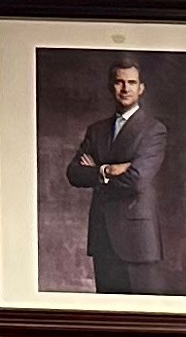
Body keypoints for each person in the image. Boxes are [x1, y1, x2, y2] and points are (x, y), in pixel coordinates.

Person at [69, 59, 173, 295]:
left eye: (131, 82)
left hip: (137, 240)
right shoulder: (96, 130)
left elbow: (136, 180)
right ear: (110, 86)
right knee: (107, 318)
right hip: (102, 238)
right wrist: (108, 170)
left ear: (141, 88)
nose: (125, 88)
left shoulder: (153, 130)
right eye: (119, 82)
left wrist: (96, 173)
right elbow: (74, 173)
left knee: (141, 319)